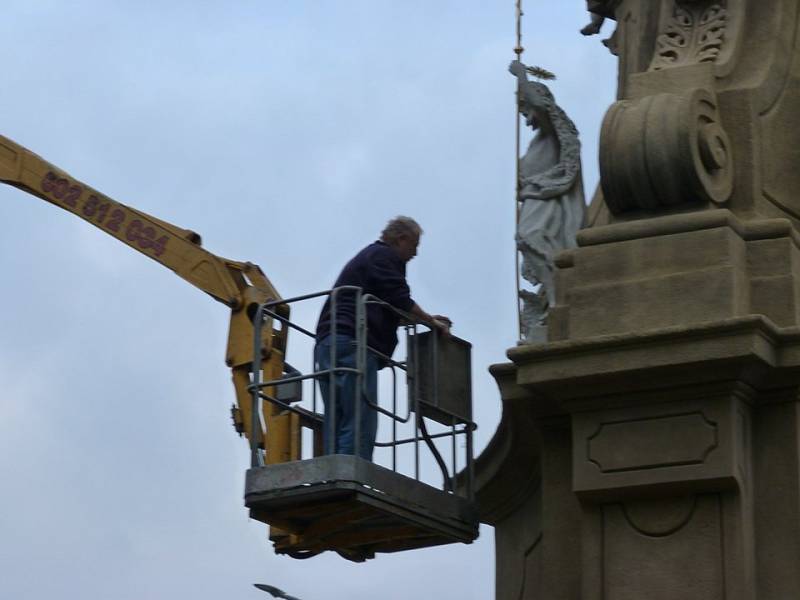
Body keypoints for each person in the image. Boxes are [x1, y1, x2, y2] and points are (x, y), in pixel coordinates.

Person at [314, 216, 451, 460]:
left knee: (337, 417)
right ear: (402, 239)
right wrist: (431, 322)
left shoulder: (370, 257)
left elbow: (387, 306)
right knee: (359, 417)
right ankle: (351, 474)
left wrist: (425, 318)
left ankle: (333, 471)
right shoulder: (384, 257)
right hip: (352, 343)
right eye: (414, 246)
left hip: (329, 342)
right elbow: (399, 298)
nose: (415, 254)